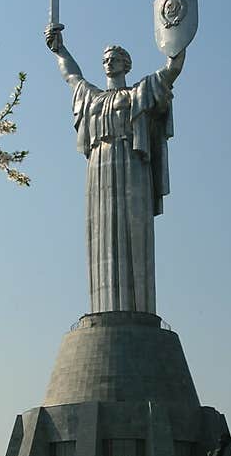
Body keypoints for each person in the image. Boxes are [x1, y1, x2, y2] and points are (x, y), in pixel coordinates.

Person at [46, 24, 185, 313]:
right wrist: (60, 49)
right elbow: (71, 75)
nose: (109, 62)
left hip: (132, 162)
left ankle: (137, 310)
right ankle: (104, 309)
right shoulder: (92, 98)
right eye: (105, 59)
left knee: (133, 230)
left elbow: (170, 72)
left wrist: (177, 42)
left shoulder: (138, 93)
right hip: (99, 168)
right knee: (101, 235)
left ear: (126, 64)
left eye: (114, 58)